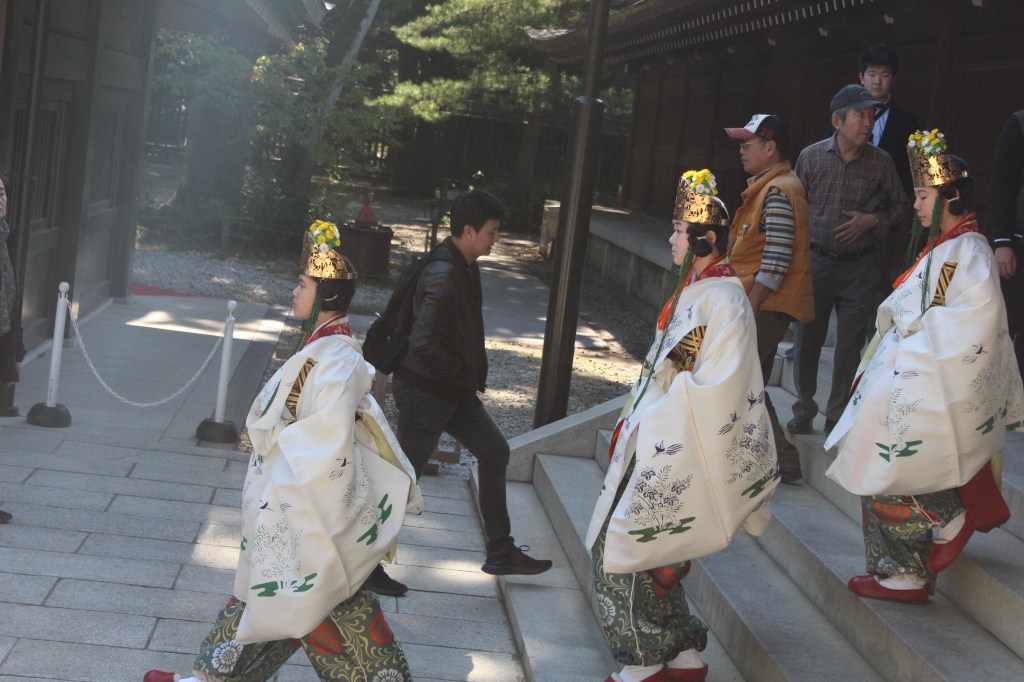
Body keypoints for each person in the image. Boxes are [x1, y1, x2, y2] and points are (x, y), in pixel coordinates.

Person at [145, 220, 421, 682]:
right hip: (293, 497)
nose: (294, 292)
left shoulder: (337, 359)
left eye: (302, 285)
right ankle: (208, 678)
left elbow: (327, 442)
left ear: (327, 295)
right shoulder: (323, 350)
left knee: (309, 596)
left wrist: (284, 478)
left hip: (310, 503)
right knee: (279, 595)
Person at [588, 170, 778, 682]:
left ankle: (645, 659)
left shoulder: (722, 299)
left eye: (678, 230)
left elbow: (716, 381)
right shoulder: (701, 292)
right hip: (665, 430)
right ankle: (683, 654)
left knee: (621, 548)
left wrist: (659, 408)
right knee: (656, 549)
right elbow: (677, 364)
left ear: (704, 239)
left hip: (680, 436)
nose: (671, 239)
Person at [824, 130, 1024, 603]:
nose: (914, 204)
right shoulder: (949, 248)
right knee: (880, 456)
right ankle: (904, 568)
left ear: (950, 197)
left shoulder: (967, 251)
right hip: (915, 374)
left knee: (891, 460)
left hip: (931, 382)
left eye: (922, 195)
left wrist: (906, 347)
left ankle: (934, 534)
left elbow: (966, 326)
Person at [391, 189, 552, 577]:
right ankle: (361, 564)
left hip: (449, 392)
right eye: (492, 231)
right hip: (425, 393)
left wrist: (460, 378)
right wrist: (458, 372)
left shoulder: (463, 265)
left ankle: (501, 551)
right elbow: (423, 342)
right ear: (469, 231)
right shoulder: (445, 274)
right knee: (400, 482)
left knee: (494, 451)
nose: (497, 238)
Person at [788, 84, 911, 435]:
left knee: (850, 344)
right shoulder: (811, 157)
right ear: (837, 121)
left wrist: (871, 221)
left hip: (860, 265)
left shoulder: (881, 161)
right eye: (859, 115)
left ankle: (837, 414)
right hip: (816, 262)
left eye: (871, 115)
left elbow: (902, 206)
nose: (867, 123)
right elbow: (794, 207)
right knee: (806, 340)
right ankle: (803, 408)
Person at [724, 114, 814, 484]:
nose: (742, 151)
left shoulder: (777, 190)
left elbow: (776, 258)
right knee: (750, 380)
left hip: (765, 305)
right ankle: (779, 459)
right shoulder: (773, 186)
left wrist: (751, 303)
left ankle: (782, 458)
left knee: (743, 380)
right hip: (764, 304)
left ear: (770, 147)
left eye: (748, 144)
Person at [857, 44, 921, 338]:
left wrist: (891, 203)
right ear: (861, 77)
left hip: (884, 213)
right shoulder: (845, 114)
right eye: (872, 74)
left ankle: (871, 341)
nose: (877, 81)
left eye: (884, 75)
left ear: (893, 79)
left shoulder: (907, 120)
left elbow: (910, 169)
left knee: (877, 277)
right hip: (844, 210)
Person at [989, 109, 1024, 372]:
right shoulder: (1019, 123)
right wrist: (1002, 241)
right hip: (1018, 245)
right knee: (1010, 326)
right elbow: (1002, 183)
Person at [1, 173, 24, 524]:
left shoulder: (6, 235)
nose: (0, 199)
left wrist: (14, 352)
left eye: (2, 192)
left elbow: (10, 295)